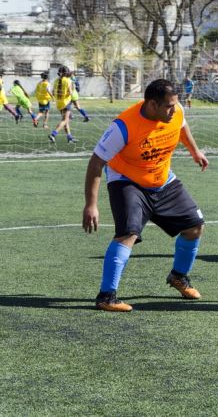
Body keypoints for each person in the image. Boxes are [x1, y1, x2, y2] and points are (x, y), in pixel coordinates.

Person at [82, 79, 209, 312]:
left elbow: (181, 126)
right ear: (151, 104)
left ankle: (178, 277)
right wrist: (91, 205)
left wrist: (195, 151)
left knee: (195, 227)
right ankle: (106, 297)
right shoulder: (123, 127)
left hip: (162, 180)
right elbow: (96, 163)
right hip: (127, 181)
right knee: (128, 234)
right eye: (168, 106)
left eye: (175, 105)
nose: (174, 110)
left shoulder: (176, 110)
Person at [49, 66, 77, 143]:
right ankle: (53, 134)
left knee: (65, 120)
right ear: (66, 73)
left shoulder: (56, 81)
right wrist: (73, 87)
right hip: (66, 103)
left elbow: (53, 93)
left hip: (59, 103)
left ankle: (69, 137)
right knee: (65, 120)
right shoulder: (68, 81)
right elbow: (71, 93)